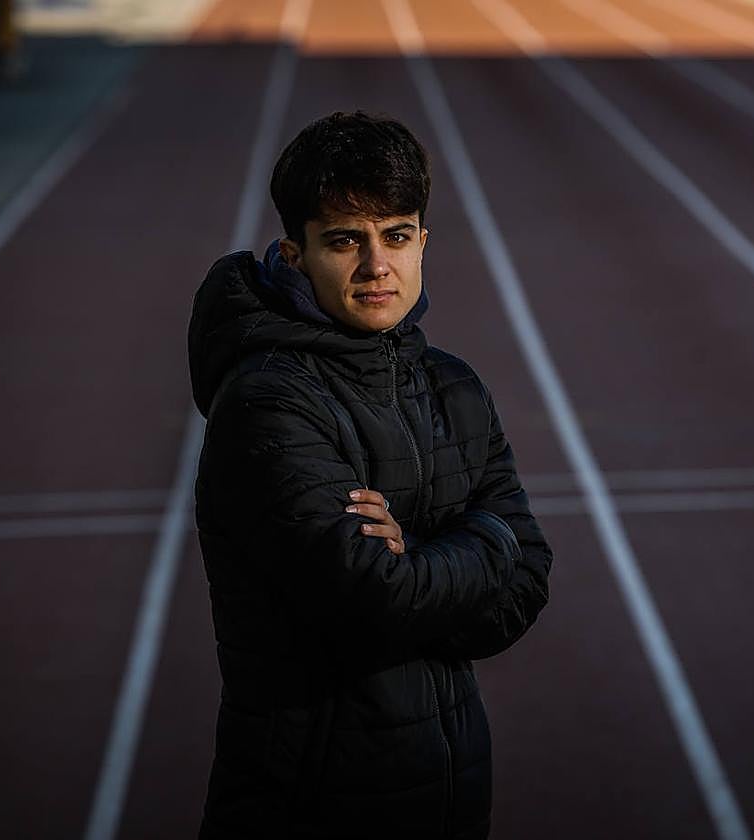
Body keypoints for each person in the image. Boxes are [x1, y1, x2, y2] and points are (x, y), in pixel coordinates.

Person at [188, 111, 553, 839]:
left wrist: (421, 555)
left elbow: (527, 584)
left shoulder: (455, 387)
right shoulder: (269, 402)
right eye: (345, 240)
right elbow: (374, 598)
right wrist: (486, 541)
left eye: (397, 235)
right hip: (309, 807)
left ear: (423, 242)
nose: (376, 265)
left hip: (446, 800)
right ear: (295, 255)